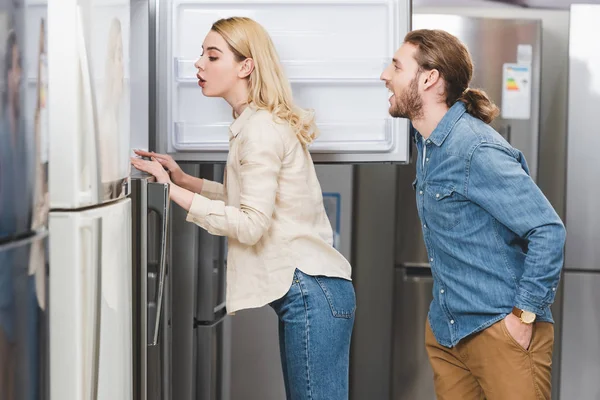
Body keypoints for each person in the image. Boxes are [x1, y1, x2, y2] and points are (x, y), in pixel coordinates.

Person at [132, 16, 355, 400]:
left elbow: (251, 224)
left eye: (213, 56)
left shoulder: (260, 129)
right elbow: (249, 200)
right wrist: (184, 180)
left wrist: (171, 192)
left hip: (310, 289)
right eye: (201, 54)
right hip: (314, 290)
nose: (199, 64)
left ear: (245, 66)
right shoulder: (253, 122)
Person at [380, 29, 566, 400]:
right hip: (448, 333)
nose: (385, 75)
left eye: (396, 66)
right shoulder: (428, 144)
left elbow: (548, 230)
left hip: (499, 329)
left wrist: (523, 317)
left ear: (430, 78)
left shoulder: (474, 148)